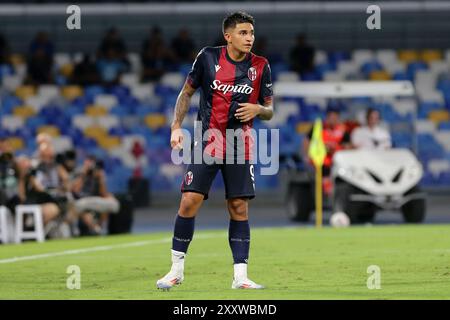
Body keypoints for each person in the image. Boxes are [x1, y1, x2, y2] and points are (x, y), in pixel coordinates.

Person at [157, 11, 274, 290]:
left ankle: (240, 277)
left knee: (238, 207)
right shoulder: (208, 57)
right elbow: (186, 93)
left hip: (239, 144)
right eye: (243, 33)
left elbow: (269, 111)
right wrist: (176, 127)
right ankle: (176, 271)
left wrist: (258, 109)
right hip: (208, 140)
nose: (249, 38)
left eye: (252, 33)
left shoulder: (261, 65)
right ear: (228, 35)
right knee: (189, 201)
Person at [302, 106, 351, 195]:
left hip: (337, 158)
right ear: (327, 117)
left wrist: (337, 147)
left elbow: (347, 145)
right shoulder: (319, 127)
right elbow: (307, 141)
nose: (333, 120)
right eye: (331, 117)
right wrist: (307, 155)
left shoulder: (342, 129)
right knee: (324, 165)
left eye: (335, 117)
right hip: (321, 158)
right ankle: (326, 189)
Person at [71, 155, 119, 235]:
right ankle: (96, 229)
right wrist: (84, 174)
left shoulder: (97, 174)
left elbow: (104, 194)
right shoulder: (79, 172)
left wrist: (101, 179)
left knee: (111, 203)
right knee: (83, 209)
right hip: (81, 200)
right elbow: (75, 191)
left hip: (95, 200)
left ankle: (99, 227)